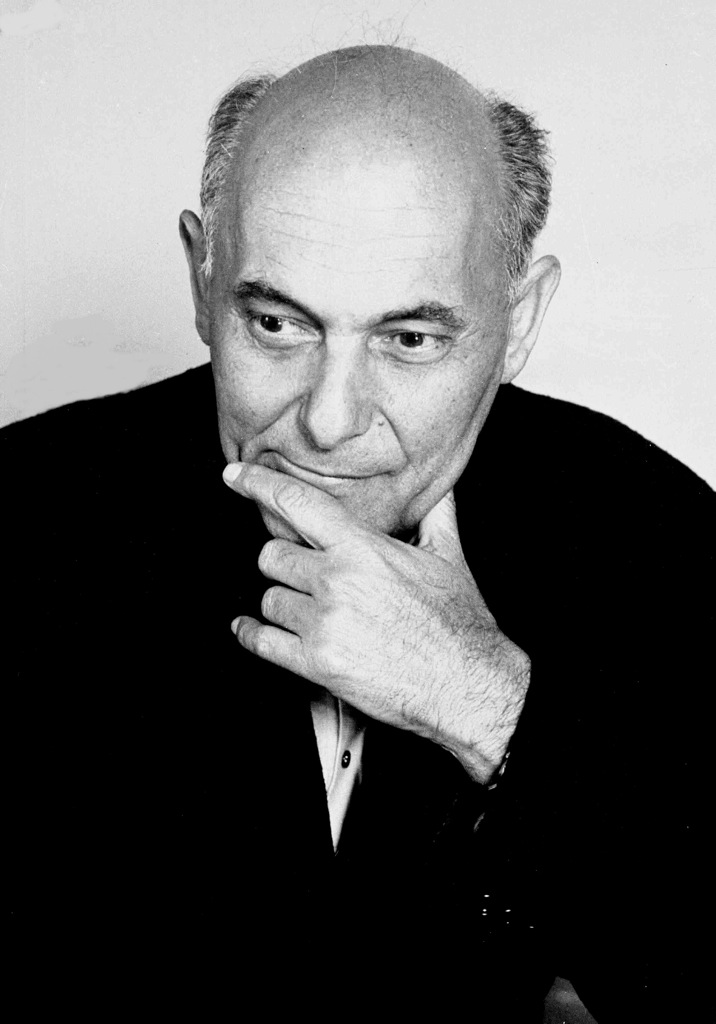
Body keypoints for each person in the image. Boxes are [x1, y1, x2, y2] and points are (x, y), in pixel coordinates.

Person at [6, 45, 713, 1019]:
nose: (329, 422)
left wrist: (484, 702)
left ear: (518, 320)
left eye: (409, 339)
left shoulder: (651, 537)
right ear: (202, 278)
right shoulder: (16, 519)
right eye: (277, 325)